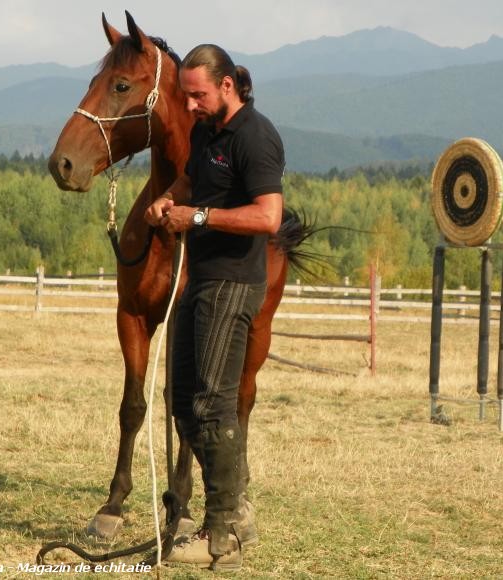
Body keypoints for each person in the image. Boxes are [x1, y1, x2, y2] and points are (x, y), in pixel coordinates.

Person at [144, 44, 284, 571]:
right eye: (187, 96)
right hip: (198, 280)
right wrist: (169, 198)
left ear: (226, 86)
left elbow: (269, 217)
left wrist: (197, 218)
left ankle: (224, 530)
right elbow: (193, 183)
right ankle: (237, 507)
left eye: (198, 95)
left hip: (233, 282)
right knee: (184, 402)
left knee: (212, 404)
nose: (192, 105)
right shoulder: (205, 132)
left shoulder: (256, 136)